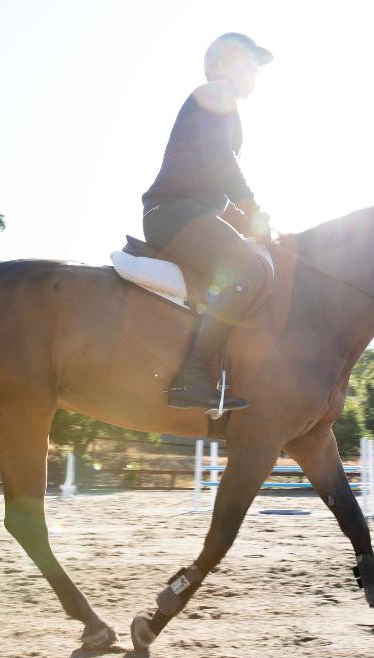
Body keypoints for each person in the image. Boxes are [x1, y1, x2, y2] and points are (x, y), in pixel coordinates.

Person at [142, 32, 274, 412]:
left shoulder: (224, 105)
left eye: (255, 67)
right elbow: (221, 162)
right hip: (174, 212)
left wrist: (250, 222)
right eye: (246, 62)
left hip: (189, 211)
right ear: (218, 66)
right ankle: (192, 375)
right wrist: (251, 211)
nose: (253, 72)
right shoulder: (216, 92)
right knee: (246, 269)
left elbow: (212, 184)